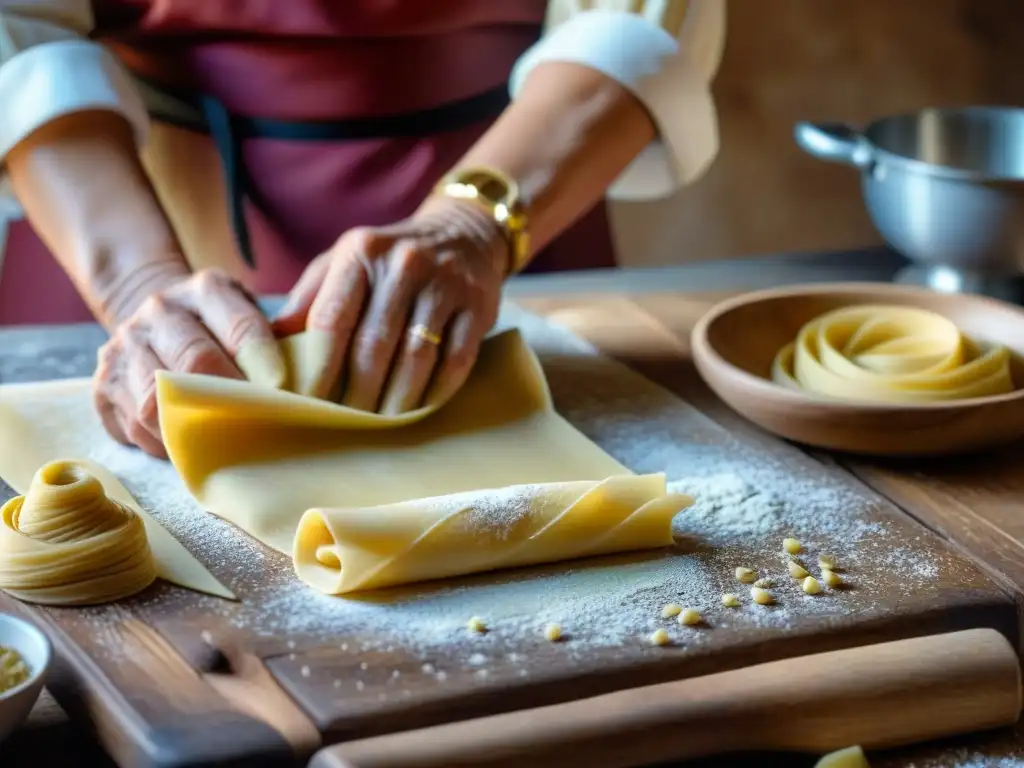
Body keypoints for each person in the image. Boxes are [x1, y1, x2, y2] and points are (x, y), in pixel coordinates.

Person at [0, 0, 725, 457]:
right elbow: (19, 29)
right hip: (119, 205)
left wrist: (471, 225)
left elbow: (631, 16)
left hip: (516, 191)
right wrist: (137, 283)